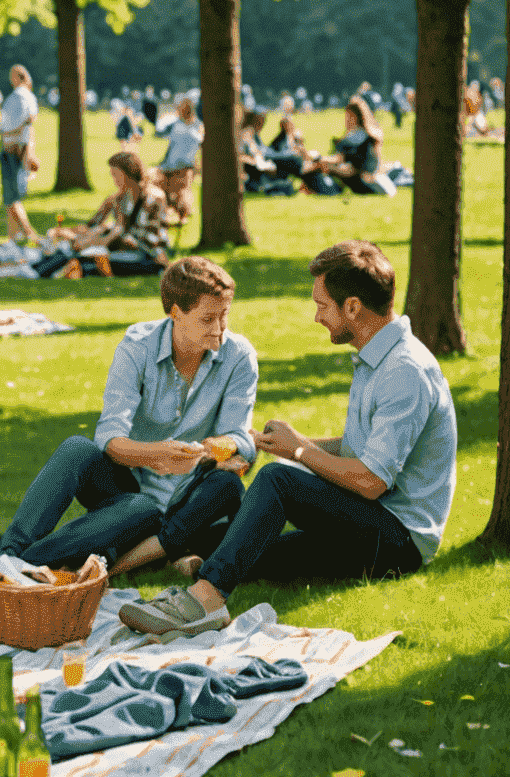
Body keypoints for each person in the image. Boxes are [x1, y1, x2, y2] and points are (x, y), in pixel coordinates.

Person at [120, 241, 457, 639]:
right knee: (243, 544)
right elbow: (359, 450)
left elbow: (370, 481)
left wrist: (299, 451)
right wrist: (291, 442)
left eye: (322, 305)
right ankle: (137, 561)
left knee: (277, 480)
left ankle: (205, 600)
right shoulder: (377, 357)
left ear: (352, 307)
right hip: (371, 521)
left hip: (399, 539)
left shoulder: (404, 372)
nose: (316, 316)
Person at [0, 257, 256, 586]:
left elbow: (241, 438)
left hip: (184, 502)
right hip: (124, 483)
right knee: (77, 449)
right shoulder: (138, 347)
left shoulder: (238, 356)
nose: (219, 328)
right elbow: (109, 438)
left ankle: (8, 562)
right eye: (207, 319)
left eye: (224, 315)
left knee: (144, 507)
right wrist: (156, 454)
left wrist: (217, 448)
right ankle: (12, 550)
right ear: (174, 312)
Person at [0, 64, 39, 242]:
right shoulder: (29, 97)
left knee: (11, 198)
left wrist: (5, 133)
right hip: (18, 148)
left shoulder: (18, 97)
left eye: (12, 75)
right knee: (10, 198)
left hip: (12, 148)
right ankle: (13, 236)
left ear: (18, 77)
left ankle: (29, 234)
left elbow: (22, 124)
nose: (10, 79)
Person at [316, 96, 393, 195]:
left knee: (324, 167)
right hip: (373, 180)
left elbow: (340, 160)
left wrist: (319, 159)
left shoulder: (356, 137)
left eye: (348, 116)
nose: (346, 120)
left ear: (355, 117)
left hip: (364, 182)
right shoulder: (369, 134)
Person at [156, 95, 203, 223]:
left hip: (186, 165)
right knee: (159, 185)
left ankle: (183, 214)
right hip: (170, 164)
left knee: (181, 190)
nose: (183, 110)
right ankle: (167, 211)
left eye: (186, 107)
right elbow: (166, 139)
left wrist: (198, 168)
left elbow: (201, 146)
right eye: (181, 107)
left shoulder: (198, 125)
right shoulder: (175, 124)